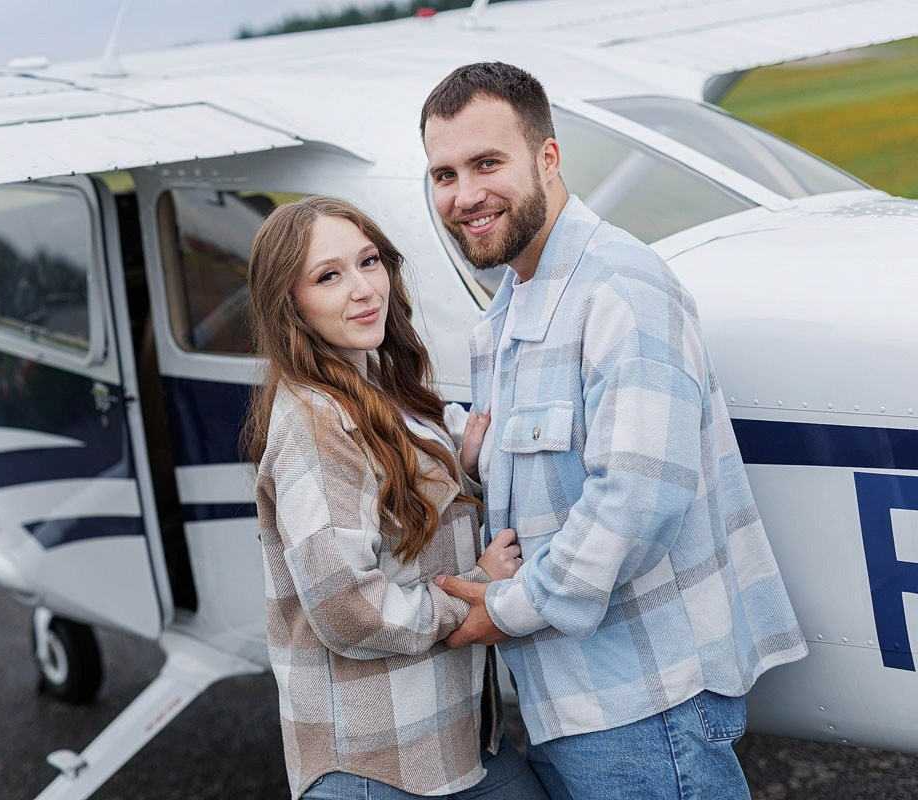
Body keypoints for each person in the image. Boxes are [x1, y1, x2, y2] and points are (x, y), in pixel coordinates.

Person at [419, 63, 808, 800]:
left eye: (486, 163)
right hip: (571, 701)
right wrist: (474, 467)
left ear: (548, 157)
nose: (464, 196)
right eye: (443, 174)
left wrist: (500, 612)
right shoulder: (505, 314)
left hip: (644, 706)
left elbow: (636, 502)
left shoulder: (619, 289)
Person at [244, 195, 548, 800]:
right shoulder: (314, 424)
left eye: (369, 261)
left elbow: (396, 520)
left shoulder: (375, 385)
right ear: (290, 305)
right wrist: (472, 594)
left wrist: (459, 473)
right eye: (329, 276)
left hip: (455, 739)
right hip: (376, 763)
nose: (364, 289)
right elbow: (345, 609)